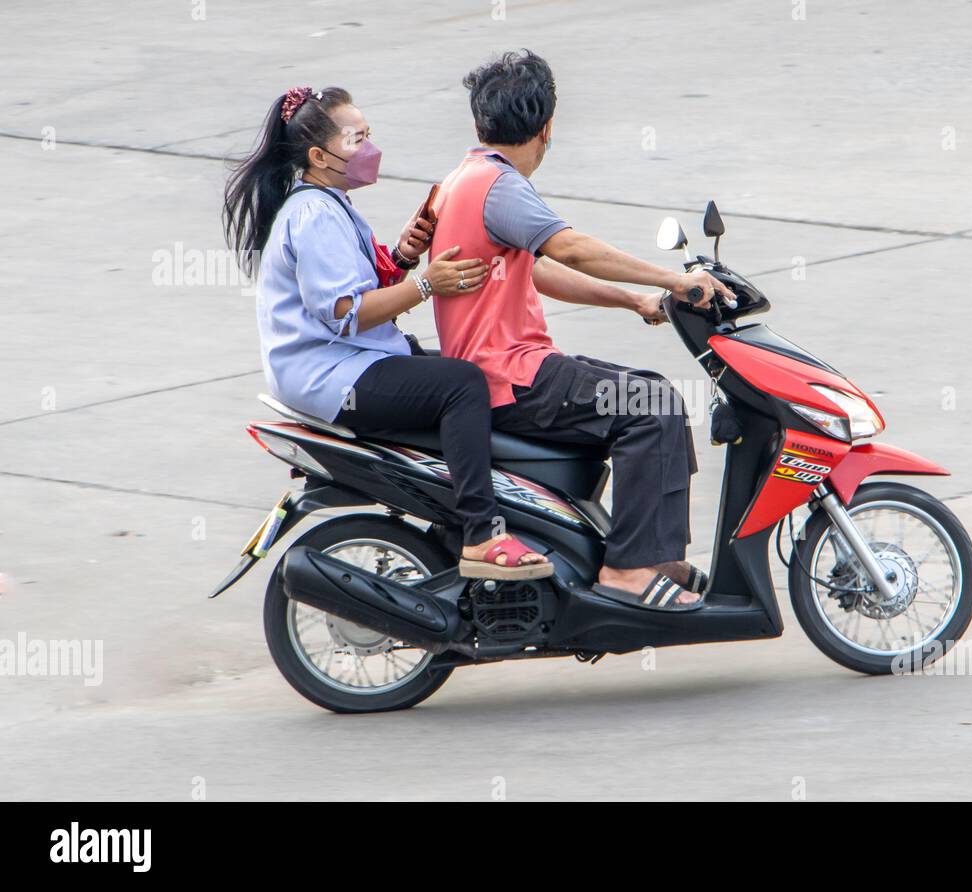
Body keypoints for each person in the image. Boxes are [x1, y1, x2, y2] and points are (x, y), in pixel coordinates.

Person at [427, 52, 736, 610]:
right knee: (651, 404)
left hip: (506, 369)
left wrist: (635, 299)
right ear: (547, 129)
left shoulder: (460, 182)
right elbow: (568, 248)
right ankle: (627, 571)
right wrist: (676, 278)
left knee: (650, 392)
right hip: (511, 376)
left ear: (481, 122)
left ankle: (652, 552)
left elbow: (538, 269)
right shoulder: (499, 185)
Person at [222, 85, 550, 579]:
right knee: (462, 385)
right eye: (357, 140)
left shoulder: (330, 203)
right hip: (330, 373)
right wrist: (425, 284)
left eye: (368, 135)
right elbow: (346, 312)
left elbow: (357, 292)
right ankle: (482, 534)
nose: (370, 150)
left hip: (346, 360)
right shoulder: (313, 215)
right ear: (319, 154)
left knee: (467, 368)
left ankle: (457, 514)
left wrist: (401, 257)